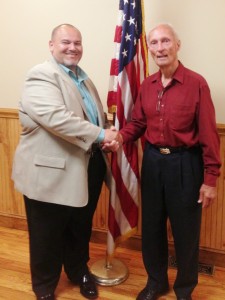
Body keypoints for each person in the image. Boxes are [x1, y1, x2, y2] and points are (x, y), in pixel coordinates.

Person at [110, 24, 221, 300]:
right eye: (154, 43)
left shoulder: (197, 84)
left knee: (186, 233)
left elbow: (209, 134)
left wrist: (210, 180)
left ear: (177, 45)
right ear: (150, 49)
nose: (160, 48)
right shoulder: (147, 85)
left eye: (165, 41)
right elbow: (137, 123)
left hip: (186, 165)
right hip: (154, 163)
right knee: (152, 228)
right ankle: (156, 282)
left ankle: (184, 289)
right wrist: (120, 138)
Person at [12, 24, 118, 300]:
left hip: (87, 166)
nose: (73, 47)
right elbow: (57, 118)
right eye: (65, 42)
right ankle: (45, 288)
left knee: (79, 226)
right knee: (47, 233)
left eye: (77, 43)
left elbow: (94, 117)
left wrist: (106, 133)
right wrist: (101, 133)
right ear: (51, 45)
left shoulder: (83, 78)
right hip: (51, 172)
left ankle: (77, 271)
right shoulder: (41, 75)